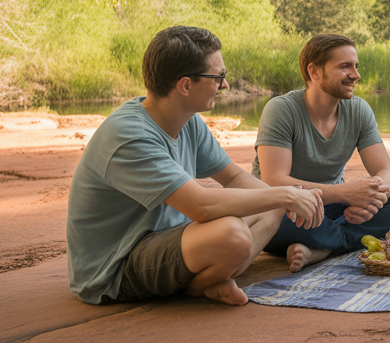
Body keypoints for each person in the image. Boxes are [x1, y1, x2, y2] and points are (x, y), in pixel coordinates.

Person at [66, 26, 325, 307]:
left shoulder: (187, 120)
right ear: (185, 85)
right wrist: (286, 194)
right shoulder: (128, 136)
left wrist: (282, 202)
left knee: (269, 206)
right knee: (233, 235)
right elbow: (200, 205)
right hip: (116, 265)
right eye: (218, 77)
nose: (224, 85)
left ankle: (209, 279)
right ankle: (198, 287)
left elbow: (233, 176)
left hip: (170, 238)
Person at [254, 33, 390, 272]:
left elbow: (385, 170)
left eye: (355, 66)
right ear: (314, 72)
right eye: (345, 67)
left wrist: (372, 201)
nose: (355, 75)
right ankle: (339, 243)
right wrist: (344, 193)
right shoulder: (281, 109)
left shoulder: (358, 110)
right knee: (279, 221)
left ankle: (324, 247)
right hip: (285, 210)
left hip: (332, 211)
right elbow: (274, 181)